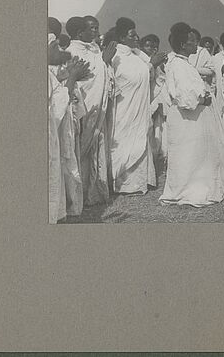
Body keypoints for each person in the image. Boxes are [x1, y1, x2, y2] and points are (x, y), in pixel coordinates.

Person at [159, 23, 224, 207]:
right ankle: (188, 191)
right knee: (188, 155)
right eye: (192, 41)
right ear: (182, 45)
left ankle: (196, 187)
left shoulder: (184, 64)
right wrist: (203, 100)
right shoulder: (178, 65)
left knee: (195, 156)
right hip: (186, 119)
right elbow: (185, 98)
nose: (196, 45)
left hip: (192, 120)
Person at [66, 15, 116, 206]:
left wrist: (104, 62)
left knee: (97, 149)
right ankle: (80, 194)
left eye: (97, 28)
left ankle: (95, 192)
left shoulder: (94, 50)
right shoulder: (72, 51)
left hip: (98, 111)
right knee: (81, 150)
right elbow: (86, 82)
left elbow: (104, 77)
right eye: (93, 29)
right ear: (80, 33)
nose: (97, 32)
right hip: (84, 109)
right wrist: (103, 62)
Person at [109, 17, 159, 195]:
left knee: (140, 139)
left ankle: (140, 182)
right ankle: (123, 184)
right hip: (123, 108)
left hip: (139, 106)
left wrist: (152, 65)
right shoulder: (116, 56)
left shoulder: (138, 55)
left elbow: (147, 72)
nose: (137, 37)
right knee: (124, 141)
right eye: (132, 35)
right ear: (122, 38)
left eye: (136, 33)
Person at [48, 32, 90, 223]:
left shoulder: (49, 74)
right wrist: (71, 78)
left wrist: (68, 76)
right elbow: (56, 108)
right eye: (55, 47)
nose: (61, 51)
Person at [141, 34, 168, 171]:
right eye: (147, 46)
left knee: (158, 131)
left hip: (158, 99)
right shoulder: (141, 61)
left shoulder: (159, 62)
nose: (151, 49)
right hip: (146, 100)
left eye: (154, 47)